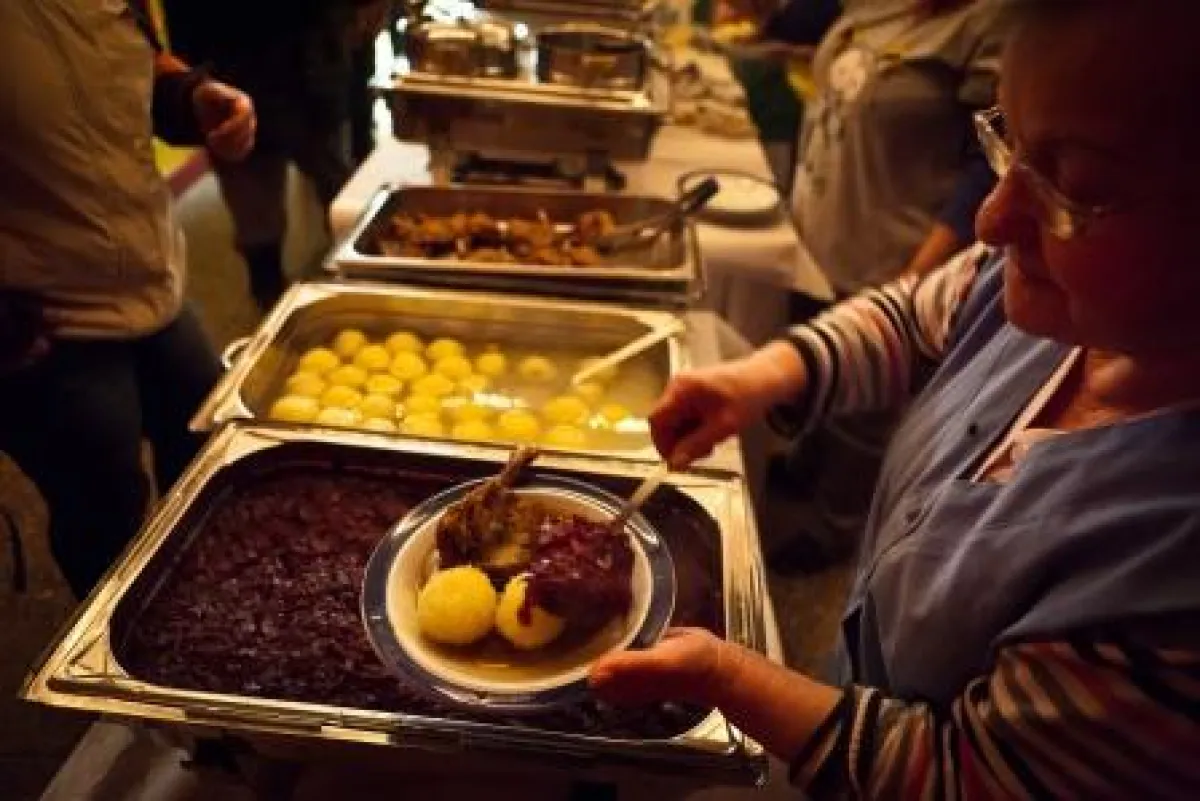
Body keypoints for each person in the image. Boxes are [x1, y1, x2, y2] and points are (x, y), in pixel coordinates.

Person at [590, 0, 1200, 796]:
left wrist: (727, 675)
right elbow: (911, 313)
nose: (991, 217)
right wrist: (764, 375)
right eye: (1006, 140)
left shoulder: (1171, 585)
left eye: (1075, 190)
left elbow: (957, 774)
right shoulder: (1050, 299)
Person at [0, 0, 255, 599]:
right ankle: (116, 647)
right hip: (44, 316)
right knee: (106, 508)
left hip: (148, 279)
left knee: (208, 452)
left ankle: (197, 609)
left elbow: (131, 68)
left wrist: (192, 97)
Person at [163, 0, 392, 310]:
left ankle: (361, 288)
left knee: (341, 195)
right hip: (231, 54)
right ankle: (275, 304)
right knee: (259, 208)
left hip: (302, 55)